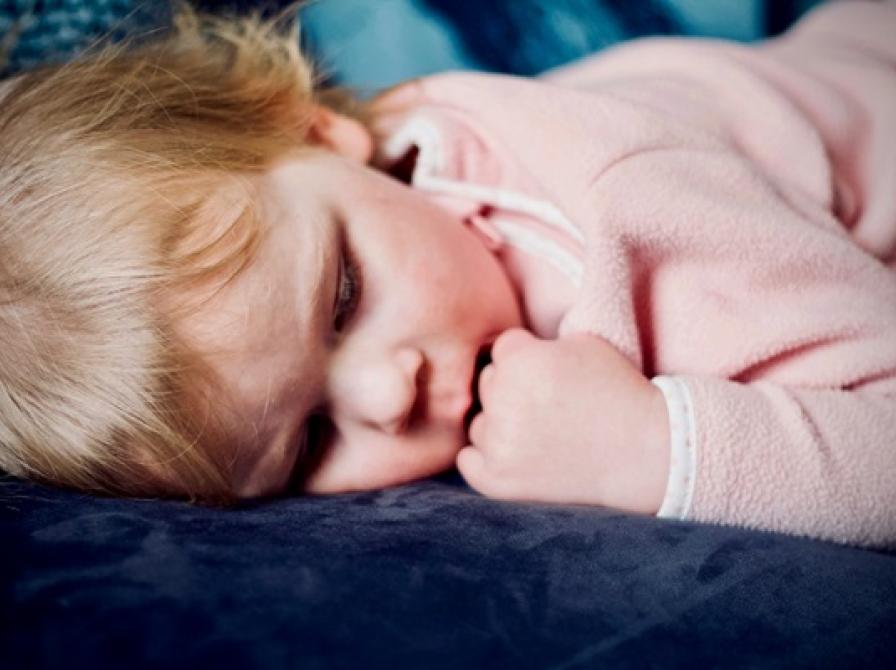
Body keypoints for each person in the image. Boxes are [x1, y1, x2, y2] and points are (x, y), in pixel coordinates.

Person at [1, 1, 894, 547]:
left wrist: (649, 448)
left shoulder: (629, 224)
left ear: (321, 132)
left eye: (345, 297)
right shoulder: (349, 187)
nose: (390, 395)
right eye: (310, 441)